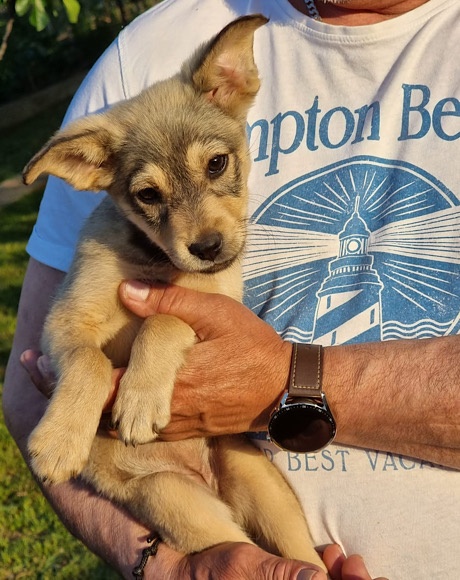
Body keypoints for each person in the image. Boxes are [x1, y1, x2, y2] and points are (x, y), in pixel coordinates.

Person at [3, 0, 460, 577]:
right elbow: (57, 341)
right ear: (91, 168)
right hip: (146, 472)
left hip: (234, 456)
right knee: (173, 493)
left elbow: (203, 327)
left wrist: (181, 342)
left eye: (216, 166)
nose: (200, 231)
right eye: (152, 195)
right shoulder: (142, 54)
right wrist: (172, 568)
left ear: (232, 84)